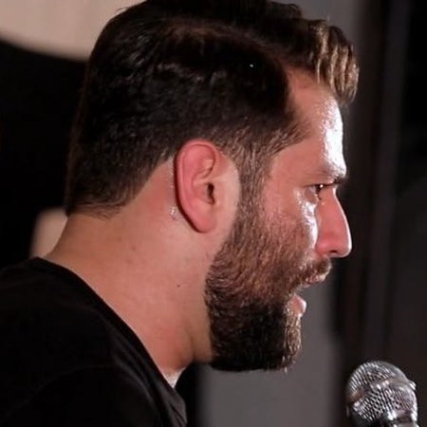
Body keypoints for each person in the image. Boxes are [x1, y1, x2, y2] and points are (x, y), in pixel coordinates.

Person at [0, 0, 359, 425]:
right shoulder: (90, 402)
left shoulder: (45, 358)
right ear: (204, 186)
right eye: (317, 189)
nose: (340, 240)